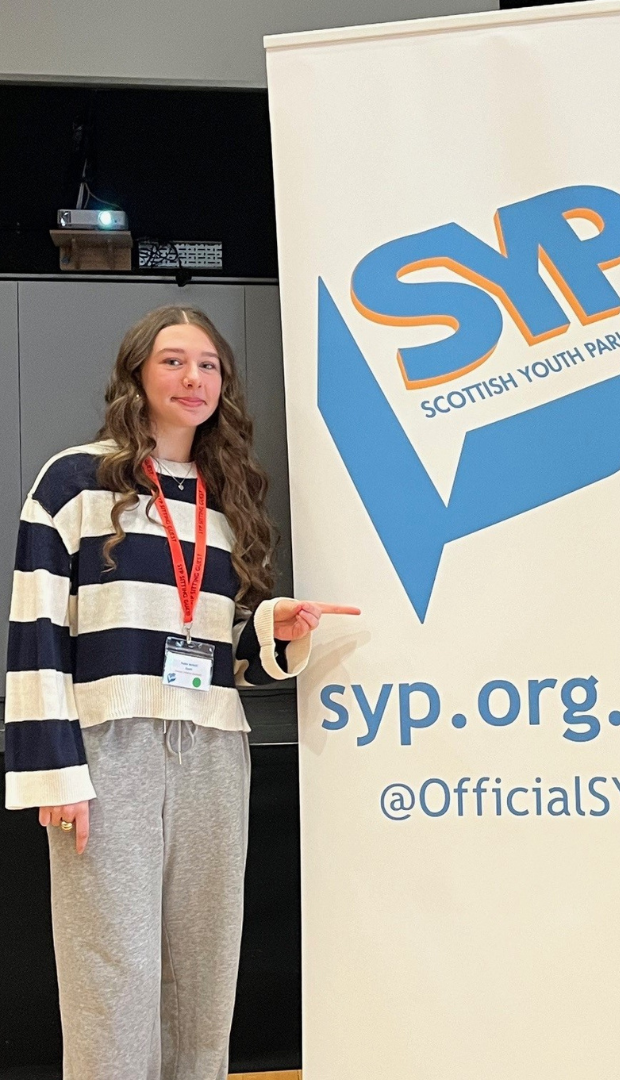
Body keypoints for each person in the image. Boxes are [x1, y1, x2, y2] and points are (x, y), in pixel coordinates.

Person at [3, 305, 359, 1080]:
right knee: (112, 964)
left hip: (211, 748)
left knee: (205, 965)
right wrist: (55, 774)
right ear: (137, 372)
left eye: (208, 364)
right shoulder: (74, 481)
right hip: (110, 744)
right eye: (173, 361)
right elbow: (35, 631)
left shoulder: (224, 498)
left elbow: (227, 656)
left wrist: (278, 630)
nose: (192, 378)